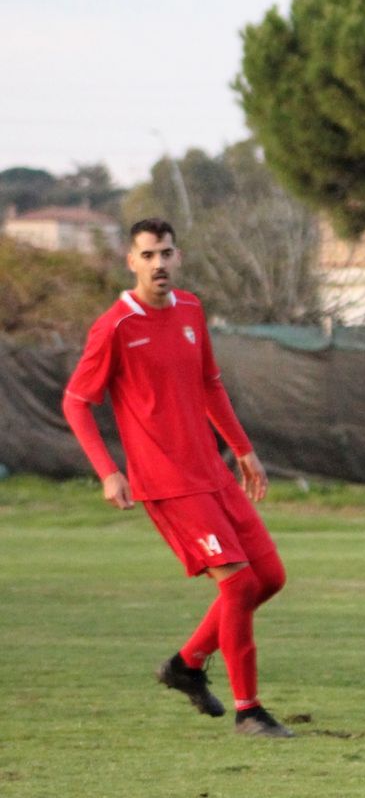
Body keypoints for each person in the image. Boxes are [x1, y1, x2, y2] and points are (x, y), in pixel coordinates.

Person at [61, 218, 294, 738]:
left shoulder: (190, 308)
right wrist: (108, 472)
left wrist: (243, 450)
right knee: (237, 584)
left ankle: (186, 665)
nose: (159, 264)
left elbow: (210, 383)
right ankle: (249, 711)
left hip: (212, 472)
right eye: (148, 255)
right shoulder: (116, 326)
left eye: (166, 253)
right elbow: (76, 403)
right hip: (166, 481)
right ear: (132, 262)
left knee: (270, 578)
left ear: (178, 256)